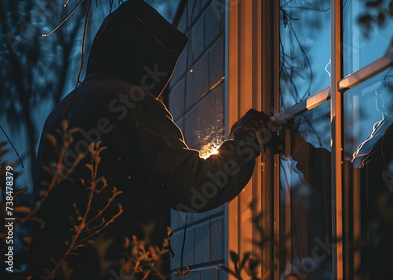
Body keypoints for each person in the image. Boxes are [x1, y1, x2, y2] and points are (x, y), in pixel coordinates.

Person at [28, 1, 272, 279]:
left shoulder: (63, 109)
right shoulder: (129, 102)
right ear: (144, 57)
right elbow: (194, 184)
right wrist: (247, 141)